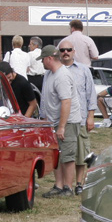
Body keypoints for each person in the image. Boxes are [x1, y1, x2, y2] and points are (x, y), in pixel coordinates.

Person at [38, 45, 80, 198]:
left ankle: (68, 188)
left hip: (67, 122)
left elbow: (66, 102)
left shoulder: (62, 76)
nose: (41, 62)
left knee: (67, 155)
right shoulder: (49, 74)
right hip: (52, 122)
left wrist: (61, 126)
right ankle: (58, 185)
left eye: (42, 59)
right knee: (56, 155)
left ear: (49, 58)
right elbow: (46, 99)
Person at [57, 40, 97, 194]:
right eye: (62, 50)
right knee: (65, 154)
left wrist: (91, 116)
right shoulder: (55, 71)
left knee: (82, 153)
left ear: (74, 51)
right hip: (62, 120)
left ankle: (79, 183)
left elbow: (90, 93)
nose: (65, 52)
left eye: (68, 50)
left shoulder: (83, 70)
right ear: (58, 52)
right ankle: (63, 185)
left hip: (80, 118)